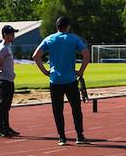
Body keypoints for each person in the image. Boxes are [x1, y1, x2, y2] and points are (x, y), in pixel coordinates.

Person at [33, 16, 90, 146]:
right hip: (70, 79)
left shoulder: (49, 39)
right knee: (76, 109)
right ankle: (79, 136)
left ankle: (62, 137)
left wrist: (45, 71)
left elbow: (36, 56)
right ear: (68, 27)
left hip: (55, 80)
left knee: (57, 110)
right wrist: (81, 71)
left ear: (56, 27)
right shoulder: (74, 38)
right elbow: (86, 55)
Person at [0, 25, 20, 138]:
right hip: (4, 80)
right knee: (2, 106)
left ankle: (6, 127)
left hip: (9, 80)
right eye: (11, 34)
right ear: (5, 35)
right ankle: (1, 129)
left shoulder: (7, 47)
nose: (13, 36)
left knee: (6, 106)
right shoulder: (2, 48)